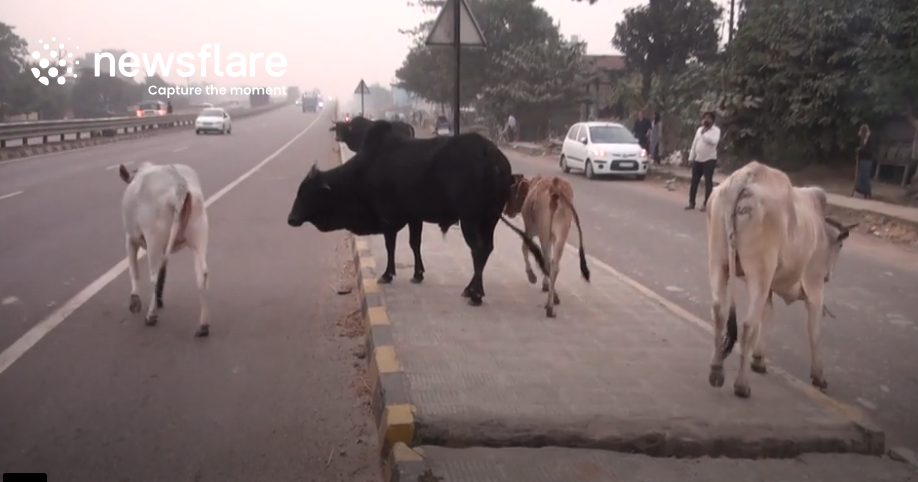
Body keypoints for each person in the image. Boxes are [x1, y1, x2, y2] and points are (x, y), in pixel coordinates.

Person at [685, 111, 721, 211]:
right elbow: (694, 144)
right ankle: (691, 203)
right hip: (698, 159)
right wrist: (691, 158)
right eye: (705, 118)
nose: (706, 120)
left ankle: (706, 204)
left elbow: (714, 142)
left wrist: (705, 134)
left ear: (712, 120)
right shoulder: (699, 130)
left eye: (709, 118)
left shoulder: (716, 131)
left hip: (709, 159)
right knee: (694, 181)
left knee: (708, 182)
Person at [854, 123, 875, 199]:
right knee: (862, 177)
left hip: (868, 160)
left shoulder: (871, 139)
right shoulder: (863, 140)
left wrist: (861, 150)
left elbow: (870, 150)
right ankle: (863, 192)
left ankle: (868, 193)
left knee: (866, 177)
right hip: (863, 159)